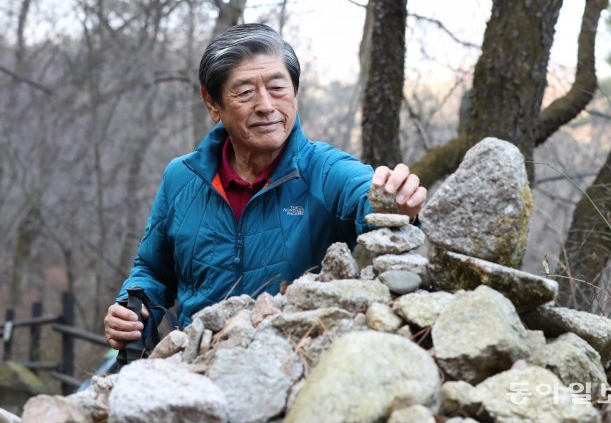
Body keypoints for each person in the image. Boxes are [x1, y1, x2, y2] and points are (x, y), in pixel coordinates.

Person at [104, 23, 427, 350]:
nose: (266, 105)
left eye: (277, 88)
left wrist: (396, 201)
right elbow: (152, 270)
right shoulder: (182, 178)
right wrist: (130, 310)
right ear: (212, 103)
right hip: (196, 365)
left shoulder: (325, 171)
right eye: (245, 92)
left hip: (292, 364)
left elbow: (368, 199)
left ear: (294, 94)